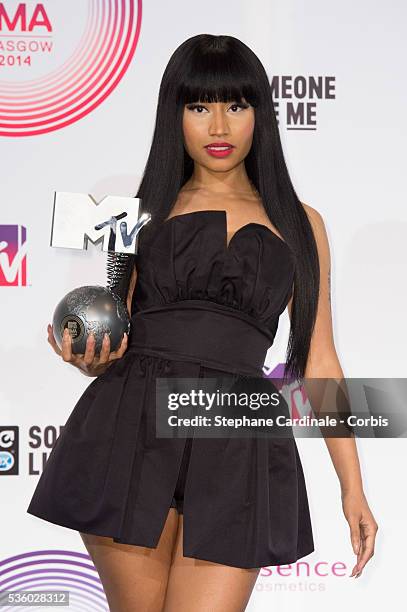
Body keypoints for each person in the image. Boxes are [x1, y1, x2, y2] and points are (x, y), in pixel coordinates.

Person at [27, 34, 378, 611]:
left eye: (236, 106)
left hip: (238, 440)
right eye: (199, 107)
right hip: (131, 427)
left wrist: (353, 487)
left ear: (260, 115)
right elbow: (116, 331)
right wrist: (88, 355)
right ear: (175, 114)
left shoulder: (301, 222)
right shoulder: (136, 210)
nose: (219, 126)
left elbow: (319, 361)